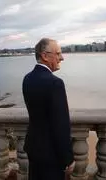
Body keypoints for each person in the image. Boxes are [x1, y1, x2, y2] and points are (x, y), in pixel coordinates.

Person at [22, 38, 75, 180]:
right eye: (58, 53)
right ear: (45, 56)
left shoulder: (27, 79)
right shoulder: (55, 83)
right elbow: (60, 125)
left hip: (33, 148)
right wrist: (67, 159)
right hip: (51, 155)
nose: (62, 58)